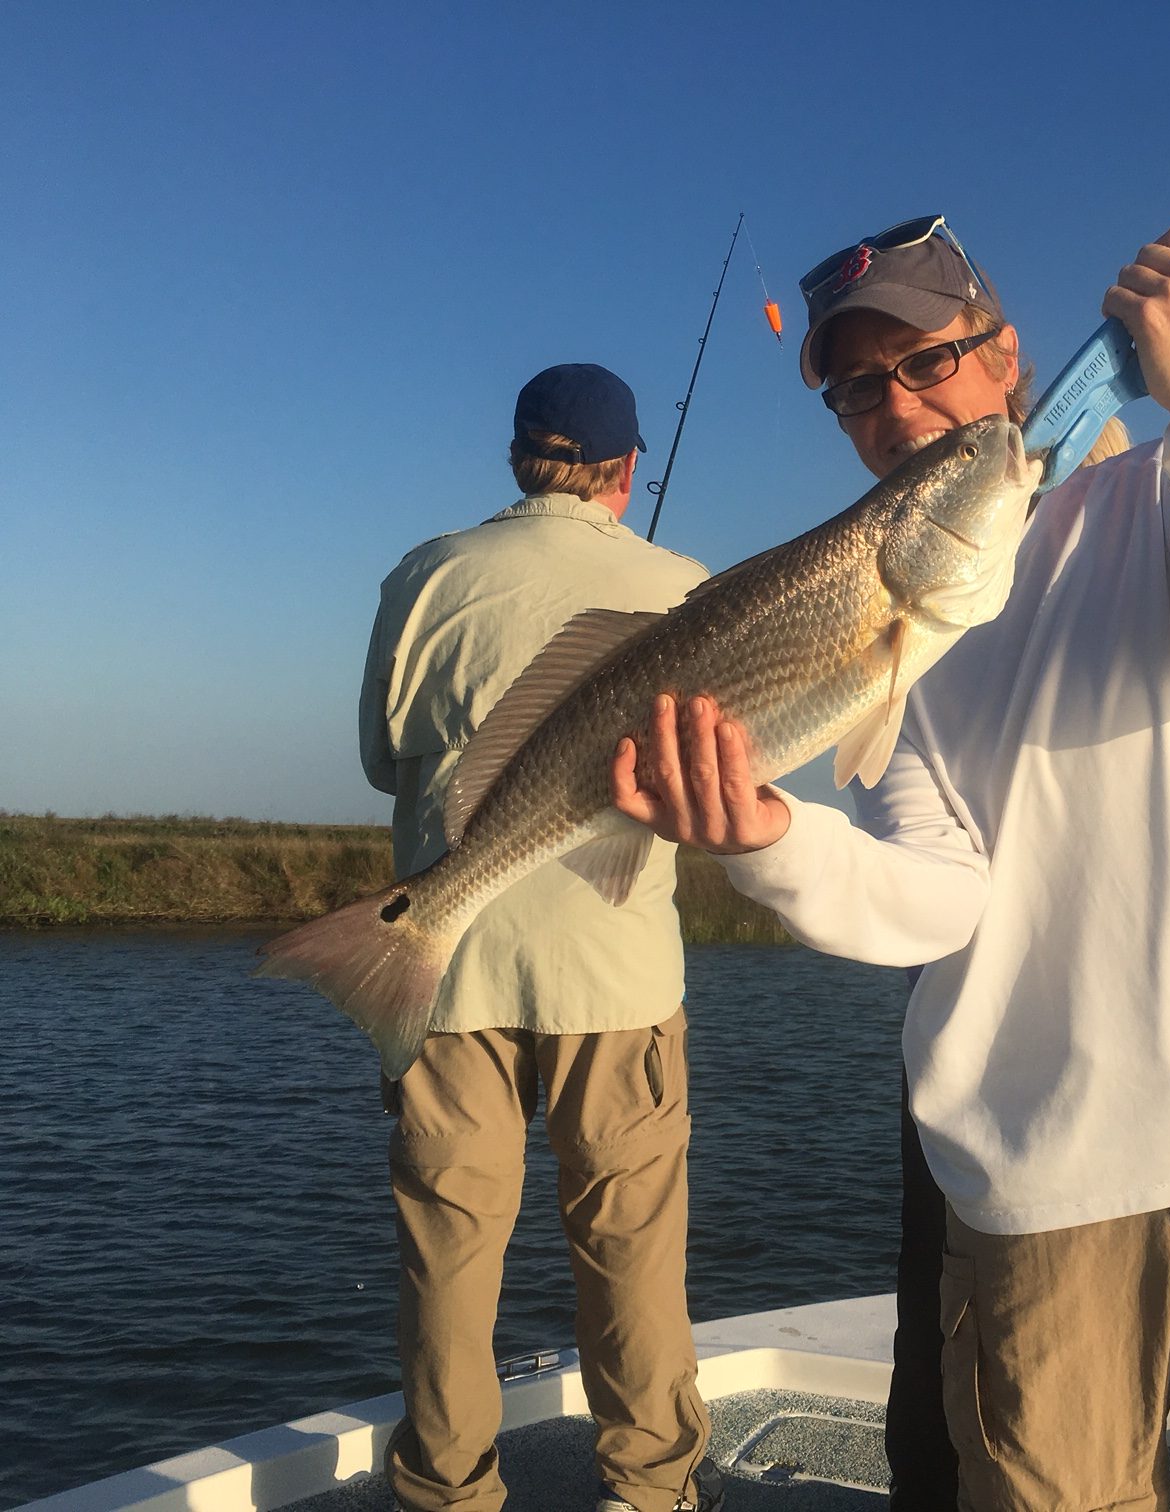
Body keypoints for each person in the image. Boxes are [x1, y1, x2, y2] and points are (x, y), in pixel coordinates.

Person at [612, 218, 1170, 1510]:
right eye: (856, 389)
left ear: (1008, 359)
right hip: (1033, 1170)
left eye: (929, 360)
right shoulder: (882, 613)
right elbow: (937, 898)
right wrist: (773, 845)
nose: (896, 404)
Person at [360, 364, 724, 1512]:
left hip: (441, 968)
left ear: (518, 457)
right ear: (626, 472)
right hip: (615, 971)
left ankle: (446, 1491)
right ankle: (651, 1490)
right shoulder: (686, 587)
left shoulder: (426, 574)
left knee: (449, 1256)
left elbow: (383, 762)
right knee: (631, 1253)